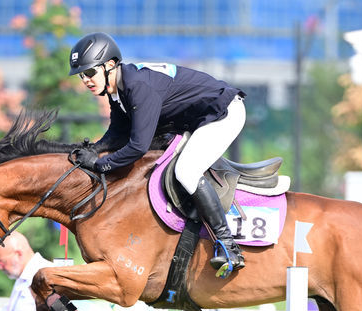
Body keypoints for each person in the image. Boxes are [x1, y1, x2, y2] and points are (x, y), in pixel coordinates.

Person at [68, 32, 246, 275]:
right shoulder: (117, 88)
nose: (86, 80)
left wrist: (100, 165)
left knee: (186, 171)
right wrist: (94, 149)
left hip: (223, 113)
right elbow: (117, 133)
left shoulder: (137, 87)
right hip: (198, 119)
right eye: (81, 75)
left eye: (90, 72)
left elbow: (137, 146)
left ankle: (227, 245)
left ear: (110, 65)